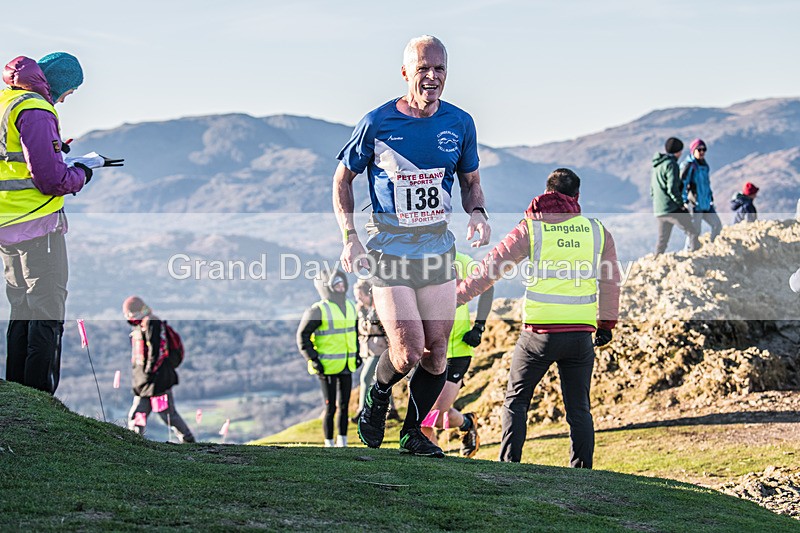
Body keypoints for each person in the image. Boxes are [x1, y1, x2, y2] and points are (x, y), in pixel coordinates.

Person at [332, 35, 491, 457]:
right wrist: (350, 238)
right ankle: (377, 394)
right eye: (423, 69)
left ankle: (414, 434)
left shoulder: (460, 123)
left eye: (439, 69)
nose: (432, 77)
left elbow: (471, 182)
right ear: (406, 73)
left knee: (437, 350)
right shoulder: (378, 123)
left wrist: (478, 213)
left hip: (437, 248)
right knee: (406, 350)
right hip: (390, 249)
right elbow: (342, 180)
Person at [457, 168, 621, 468]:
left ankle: (509, 465)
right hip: (580, 336)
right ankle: (582, 472)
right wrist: (607, 324)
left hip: (538, 336)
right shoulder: (598, 231)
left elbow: (490, 270)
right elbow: (611, 282)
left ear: (547, 192)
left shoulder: (532, 228)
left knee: (516, 402)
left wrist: (453, 298)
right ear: (577, 197)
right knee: (579, 409)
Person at [0, 53, 123, 394]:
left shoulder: (7, 101)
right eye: (70, 90)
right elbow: (52, 182)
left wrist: (57, 155)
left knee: (22, 308)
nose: (68, 98)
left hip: (8, 225)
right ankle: (40, 394)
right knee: (48, 309)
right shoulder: (37, 109)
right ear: (58, 83)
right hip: (38, 225)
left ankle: (18, 392)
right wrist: (83, 169)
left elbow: (14, 163)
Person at [420, 251, 494, 458]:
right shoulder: (415, 259)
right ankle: (435, 465)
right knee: (421, 417)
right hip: (426, 350)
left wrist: (479, 326)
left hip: (457, 349)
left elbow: (488, 285)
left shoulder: (461, 261)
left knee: (434, 416)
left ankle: (468, 423)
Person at [296, 269, 361, 447]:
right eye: (336, 284)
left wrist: (358, 354)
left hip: (347, 364)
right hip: (326, 366)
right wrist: (313, 359)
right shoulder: (318, 310)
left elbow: (355, 333)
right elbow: (302, 337)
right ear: (328, 287)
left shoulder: (350, 306)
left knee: (345, 405)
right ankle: (329, 442)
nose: (340, 287)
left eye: (342, 283)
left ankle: (343, 441)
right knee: (330, 407)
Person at [123, 296, 194, 443]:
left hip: (157, 380)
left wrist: (149, 372)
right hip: (147, 381)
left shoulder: (151, 323)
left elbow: (157, 351)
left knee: (166, 413)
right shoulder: (142, 324)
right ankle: (134, 441)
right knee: (139, 413)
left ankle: (188, 440)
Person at [352, 279, 400, 422]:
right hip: (366, 349)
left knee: (365, 378)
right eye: (356, 296)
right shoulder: (359, 310)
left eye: (360, 295)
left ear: (368, 294)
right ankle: (392, 409)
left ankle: (362, 410)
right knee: (382, 380)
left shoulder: (379, 308)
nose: (358, 298)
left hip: (380, 349)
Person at [651, 136, 699, 254]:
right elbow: (672, 188)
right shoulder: (671, 165)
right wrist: (680, 204)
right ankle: (696, 258)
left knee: (662, 241)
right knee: (692, 232)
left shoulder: (657, 166)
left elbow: (652, 190)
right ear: (678, 151)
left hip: (659, 209)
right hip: (671, 208)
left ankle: (655, 263)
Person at [681, 138, 722, 244]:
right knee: (694, 232)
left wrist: (710, 197)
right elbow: (682, 185)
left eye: (704, 149)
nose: (702, 152)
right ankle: (690, 254)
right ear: (693, 151)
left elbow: (706, 184)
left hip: (707, 204)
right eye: (699, 149)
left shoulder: (704, 165)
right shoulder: (689, 166)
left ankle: (712, 248)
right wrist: (684, 202)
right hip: (695, 205)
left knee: (717, 225)